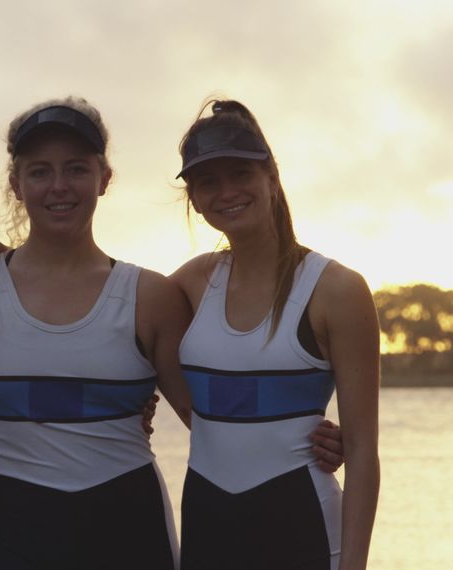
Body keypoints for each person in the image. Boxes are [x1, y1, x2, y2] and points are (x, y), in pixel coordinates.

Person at [0, 97, 195, 570]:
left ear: (105, 177)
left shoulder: (152, 297)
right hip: (7, 535)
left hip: (130, 532)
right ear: (16, 185)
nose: (59, 187)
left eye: (76, 169)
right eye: (39, 172)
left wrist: (308, 437)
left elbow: (212, 429)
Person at [172, 100, 380, 569]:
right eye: (208, 181)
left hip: (302, 530)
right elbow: (107, 337)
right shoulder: (188, 284)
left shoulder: (336, 290)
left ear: (271, 176)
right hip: (207, 529)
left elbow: (364, 450)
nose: (227, 192)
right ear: (194, 198)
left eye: (240, 173)